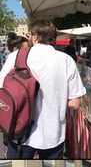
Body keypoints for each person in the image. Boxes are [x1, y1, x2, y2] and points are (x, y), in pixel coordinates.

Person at [0, 20, 85, 158]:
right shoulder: (66, 60)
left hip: (20, 132)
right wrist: (56, 100)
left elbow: (2, 91)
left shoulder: (15, 56)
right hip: (53, 134)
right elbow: (75, 104)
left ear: (34, 37)